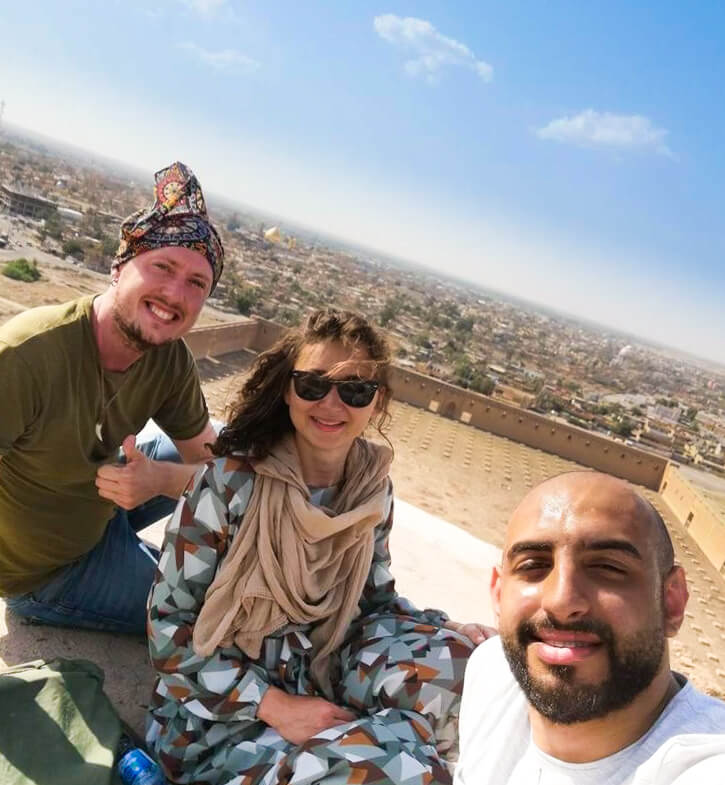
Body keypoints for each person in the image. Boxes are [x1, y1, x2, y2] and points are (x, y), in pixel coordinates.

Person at [146, 308, 491, 785]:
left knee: (472, 672)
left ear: (378, 402)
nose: (332, 405)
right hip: (221, 711)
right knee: (397, 771)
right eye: (313, 385)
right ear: (289, 390)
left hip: (325, 662)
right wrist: (276, 707)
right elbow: (168, 630)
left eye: (354, 390)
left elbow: (372, 602)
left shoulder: (370, 491)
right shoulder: (230, 484)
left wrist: (444, 628)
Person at [0, 161, 224, 634]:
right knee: (206, 621)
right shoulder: (29, 354)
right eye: (162, 266)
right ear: (119, 265)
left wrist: (161, 479)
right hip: (47, 572)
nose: (174, 293)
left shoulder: (168, 357)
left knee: (223, 448)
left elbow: (219, 472)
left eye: (196, 283)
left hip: (102, 507)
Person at [455, 471, 725, 785]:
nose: (561, 600)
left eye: (607, 567)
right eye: (533, 565)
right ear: (499, 595)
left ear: (672, 602)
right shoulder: (491, 675)